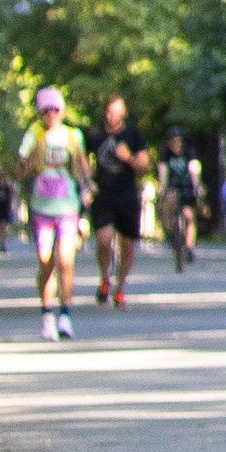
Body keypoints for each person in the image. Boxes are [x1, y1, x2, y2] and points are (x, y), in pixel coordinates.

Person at [15, 85, 89, 340]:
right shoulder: (33, 135)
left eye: (55, 109)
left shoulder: (73, 136)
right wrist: (36, 152)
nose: (51, 114)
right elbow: (21, 170)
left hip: (67, 207)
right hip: (42, 208)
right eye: (46, 110)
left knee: (65, 261)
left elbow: (81, 166)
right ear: (39, 112)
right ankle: (47, 313)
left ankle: (65, 315)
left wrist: (88, 188)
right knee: (46, 262)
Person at [86, 96, 146, 308]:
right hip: (104, 195)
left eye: (116, 112)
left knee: (128, 246)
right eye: (109, 111)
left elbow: (144, 166)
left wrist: (128, 158)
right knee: (103, 241)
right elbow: (82, 161)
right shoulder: (94, 134)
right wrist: (87, 182)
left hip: (127, 195)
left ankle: (120, 288)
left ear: (124, 113)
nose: (112, 116)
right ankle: (105, 277)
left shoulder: (133, 135)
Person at [157, 128, 203, 271]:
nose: (175, 144)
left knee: (189, 217)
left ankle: (188, 247)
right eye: (172, 142)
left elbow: (194, 169)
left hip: (187, 187)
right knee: (168, 206)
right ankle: (172, 234)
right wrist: (162, 188)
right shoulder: (165, 154)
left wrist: (197, 186)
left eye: (178, 141)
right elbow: (163, 172)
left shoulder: (189, 152)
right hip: (172, 187)